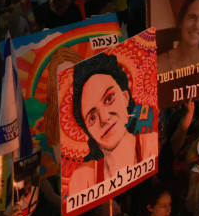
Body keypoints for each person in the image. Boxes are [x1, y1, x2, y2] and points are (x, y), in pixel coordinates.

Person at [63, 51, 158, 202]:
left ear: (125, 98)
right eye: (92, 116)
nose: (104, 118)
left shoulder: (150, 146)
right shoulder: (83, 179)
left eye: (109, 99)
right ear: (87, 130)